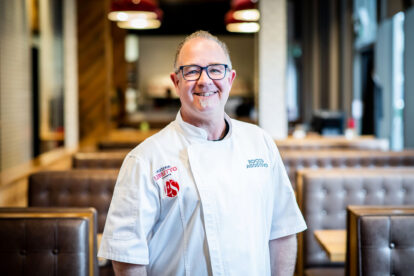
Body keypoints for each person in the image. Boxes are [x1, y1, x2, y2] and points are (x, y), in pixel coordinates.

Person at [98, 30, 307, 276]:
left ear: (230, 78)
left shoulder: (260, 143)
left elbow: (282, 231)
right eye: (192, 71)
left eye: (215, 69)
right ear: (176, 82)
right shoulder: (144, 159)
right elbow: (127, 257)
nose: (204, 80)